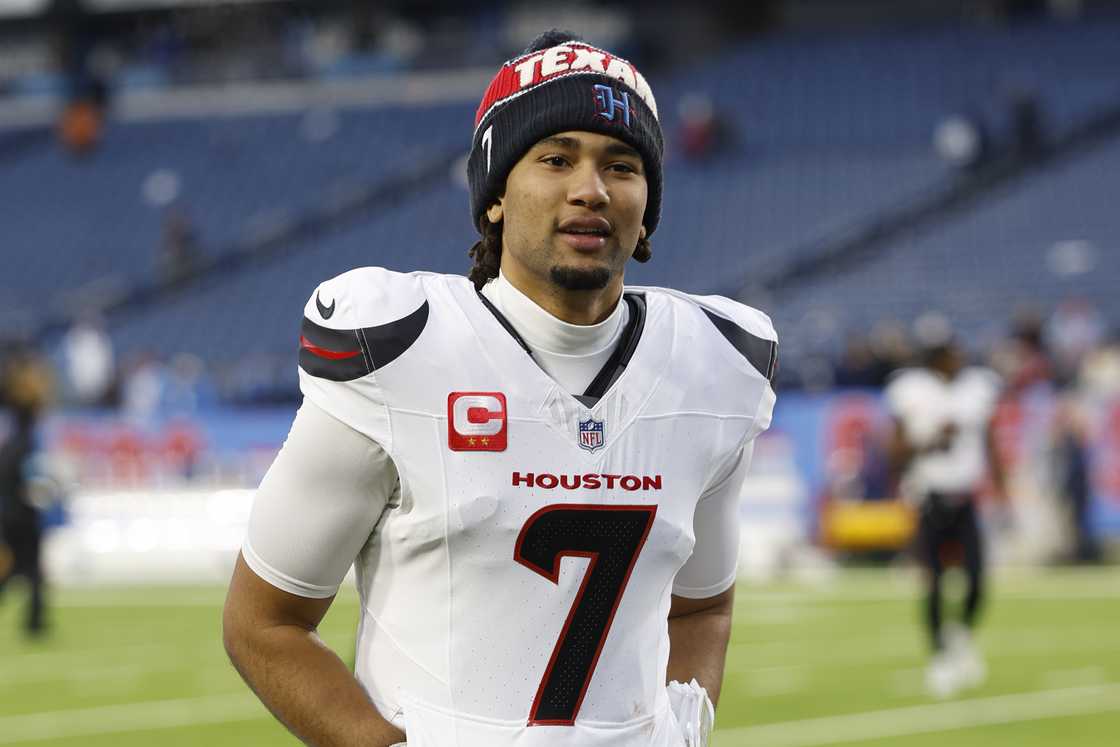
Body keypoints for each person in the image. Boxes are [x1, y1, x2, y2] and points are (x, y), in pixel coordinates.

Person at [223, 30, 778, 747]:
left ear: (648, 207)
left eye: (622, 164)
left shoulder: (714, 364)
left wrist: (685, 724)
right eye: (555, 158)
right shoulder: (403, 349)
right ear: (494, 196)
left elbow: (702, 610)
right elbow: (263, 620)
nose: (591, 188)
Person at [885, 335, 1007, 699]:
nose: (959, 359)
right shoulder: (911, 390)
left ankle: (962, 638)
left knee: (977, 577)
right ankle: (939, 657)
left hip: (966, 496)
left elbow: (990, 440)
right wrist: (932, 440)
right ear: (936, 359)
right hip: (930, 497)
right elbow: (893, 452)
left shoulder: (977, 388)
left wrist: (1002, 488)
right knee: (935, 582)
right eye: (952, 355)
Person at [0, 349, 54, 638]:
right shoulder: (25, 444)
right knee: (31, 568)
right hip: (22, 512)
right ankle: (35, 622)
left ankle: (36, 620)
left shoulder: (11, 445)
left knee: (15, 567)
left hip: (10, 511)